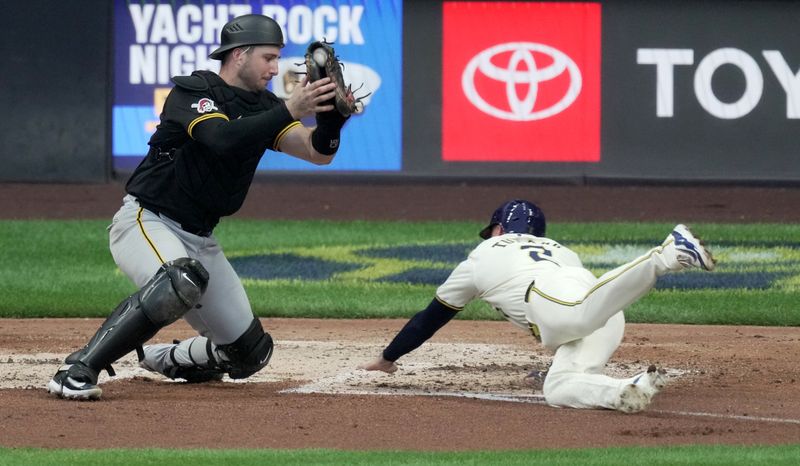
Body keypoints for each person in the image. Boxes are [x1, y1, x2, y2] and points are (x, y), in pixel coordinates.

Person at [47, 14, 351, 400]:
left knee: (249, 353)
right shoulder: (193, 91)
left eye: (277, 59)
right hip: (147, 221)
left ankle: (169, 358)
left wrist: (331, 122)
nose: (275, 68)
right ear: (239, 55)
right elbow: (220, 137)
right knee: (179, 281)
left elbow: (315, 152)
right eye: (268, 58)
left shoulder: (266, 105)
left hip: (199, 237)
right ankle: (77, 368)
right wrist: (290, 109)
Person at [359, 199, 716, 413]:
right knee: (558, 388)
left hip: (555, 299)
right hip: (600, 312)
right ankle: (624, 389)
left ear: (500, 228)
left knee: (579, 313)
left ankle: (667, 254)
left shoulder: (483, 254)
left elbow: (430, 318)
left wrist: (388, 357)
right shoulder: (561, 249)